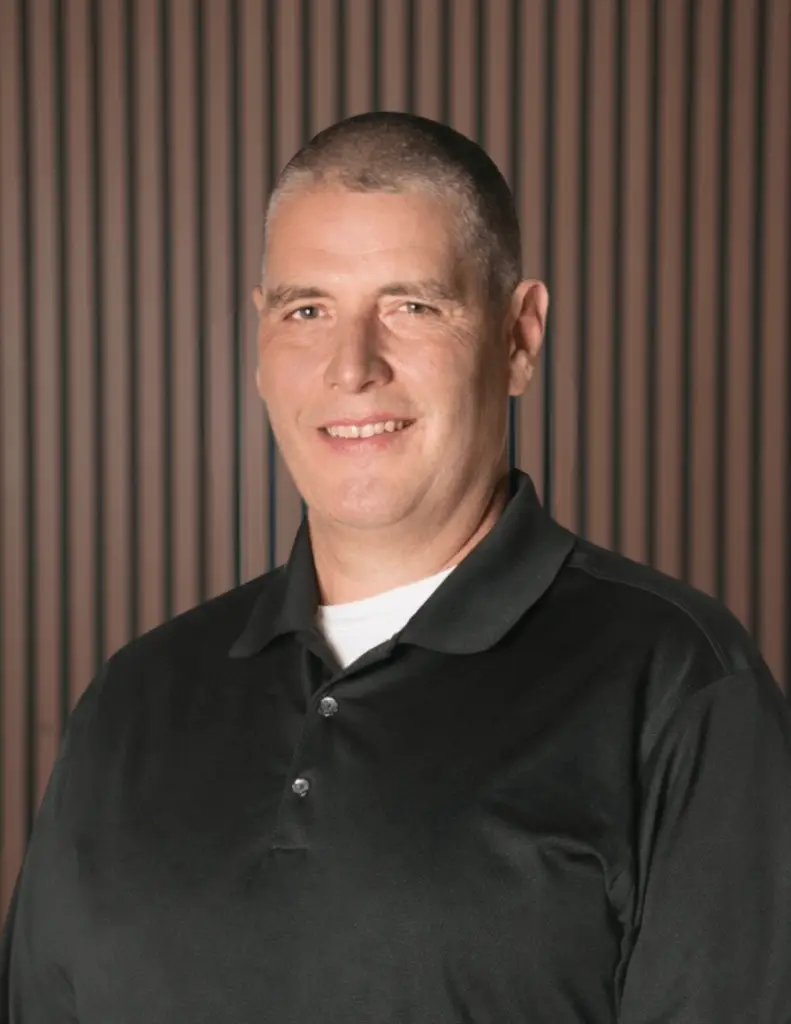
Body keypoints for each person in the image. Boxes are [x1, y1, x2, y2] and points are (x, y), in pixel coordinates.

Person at [2, 111, 790, 1023]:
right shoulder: (134, 700)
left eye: (411, 307)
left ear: (518, 336)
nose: (351, 367)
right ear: (259, 341)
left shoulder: (680, 691)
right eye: (307, 310)